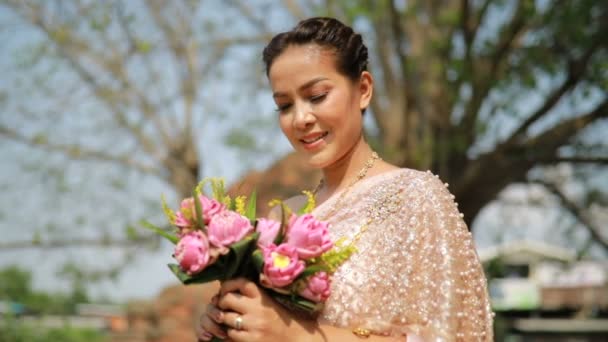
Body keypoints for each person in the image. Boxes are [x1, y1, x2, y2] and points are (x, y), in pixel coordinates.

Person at [197, 17, 494, 341]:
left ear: (363, 89)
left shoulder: (414, 196)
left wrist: (296, 336)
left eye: (317, 96)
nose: (300, 119)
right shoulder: (284, 218)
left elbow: (445, 336)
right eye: (284, 105)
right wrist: (230, 322)